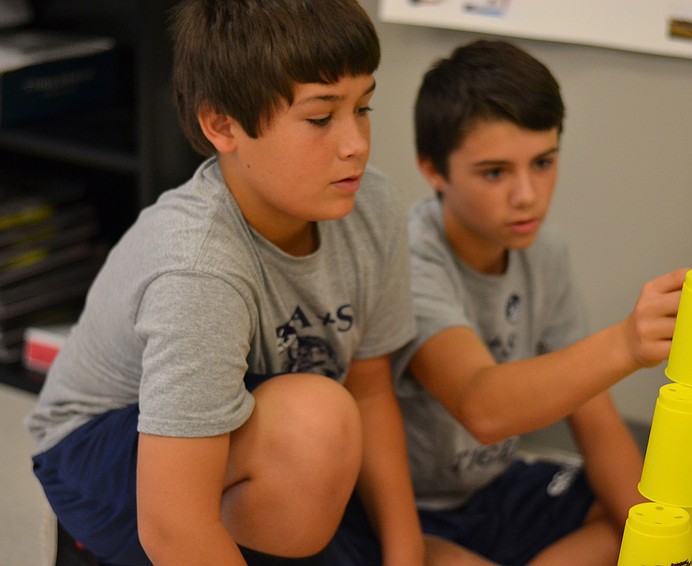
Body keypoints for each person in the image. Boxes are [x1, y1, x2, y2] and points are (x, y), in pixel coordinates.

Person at [25, 1, 426, 564]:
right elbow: (173, 529)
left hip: (254, 427)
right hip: (103, 454)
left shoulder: (373, 204)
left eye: (364, 108)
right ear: (222, 125)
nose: (355, 142)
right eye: (320, 117)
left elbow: (371, 388)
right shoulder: (197, 266)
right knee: (316, 423)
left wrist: (404, 554)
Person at [392, 39, 689, 565]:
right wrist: (625, 342)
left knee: (641, 517)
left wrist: (665, 543)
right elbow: (481, 405)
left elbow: (595, 418)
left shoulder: (544, 251)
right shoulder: (412, 259)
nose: (528, 195)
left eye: (544, 162)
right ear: (434, 170)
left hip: (501, 489)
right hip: (414, 513)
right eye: (495, 172)